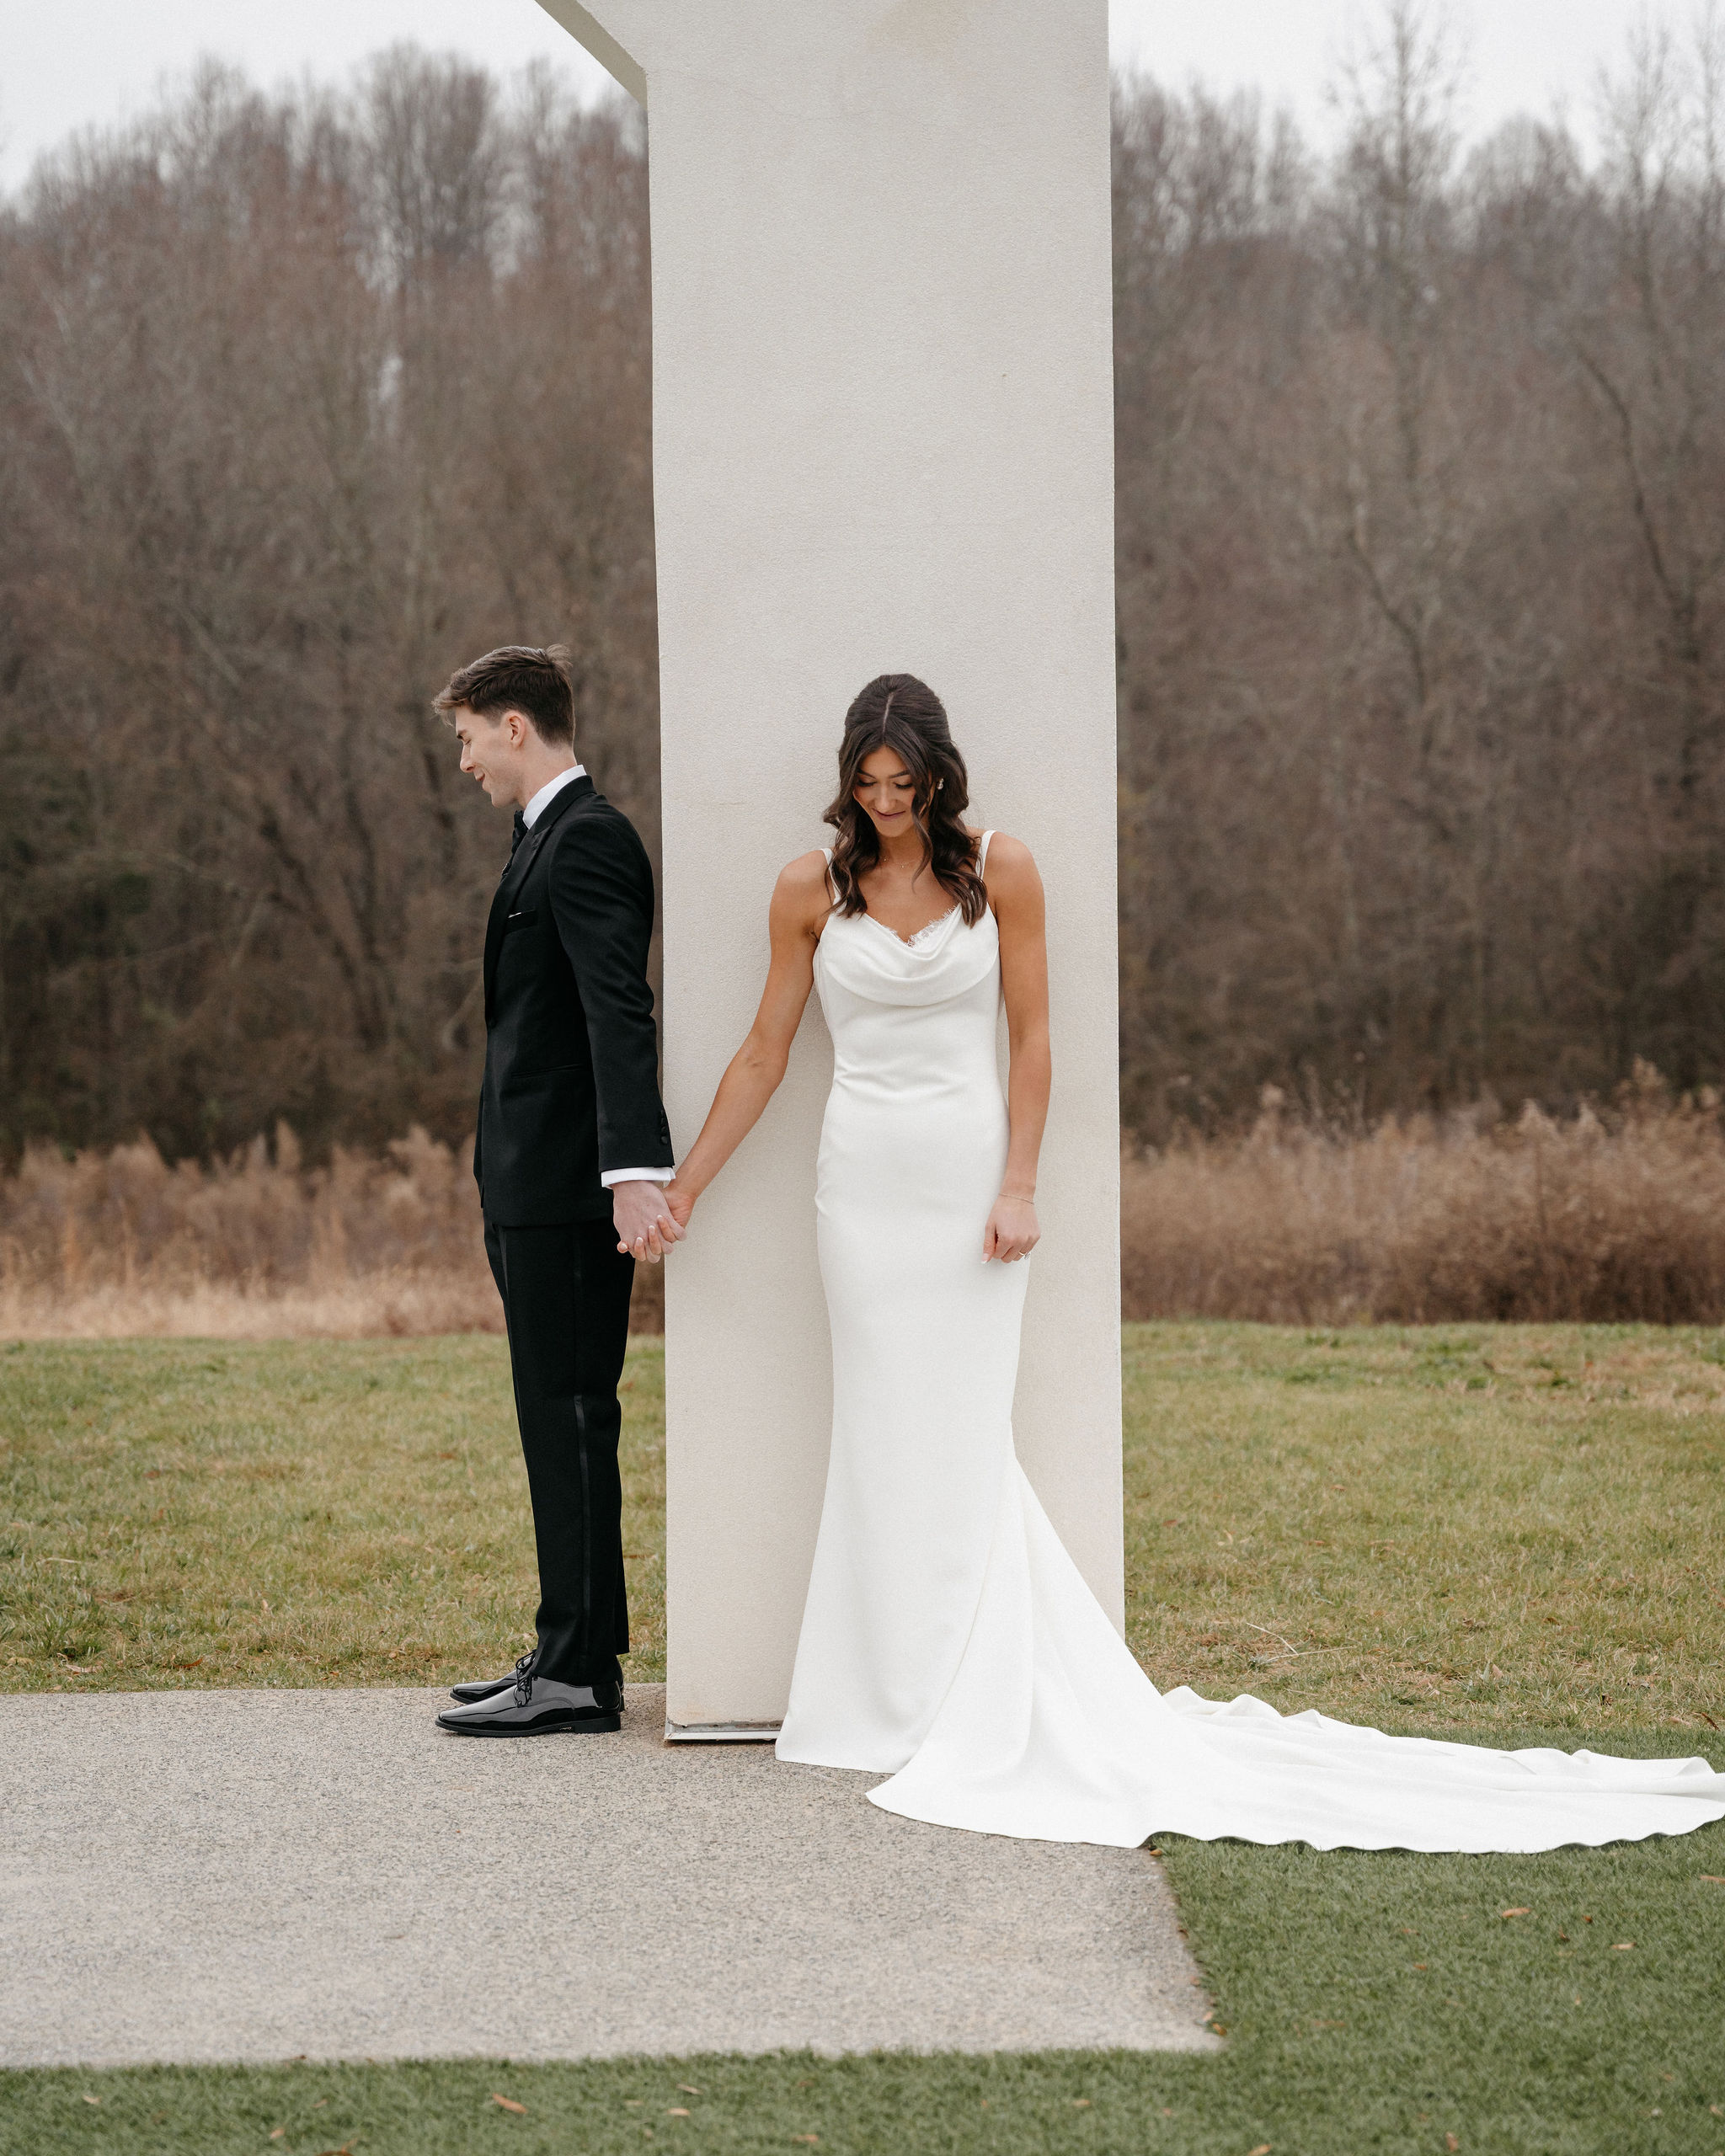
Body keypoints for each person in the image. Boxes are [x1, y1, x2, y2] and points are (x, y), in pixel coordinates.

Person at [661, 671, 1725, 1849]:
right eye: (868, 786)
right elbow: (764, 1052)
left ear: (940, 777)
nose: (887, 805)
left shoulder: (999, 871)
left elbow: (1034, 1039)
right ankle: (876, 1702)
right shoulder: (808, 889)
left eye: (905, 786)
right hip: (859, 1198)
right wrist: (687, 1187)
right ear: (847, 780)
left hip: (968, 1195)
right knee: (877, 1427)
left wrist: (1020, 1185)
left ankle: (974, 1695)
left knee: (959, 1435)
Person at [432, 645, 683, 1739]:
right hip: (529, 1189)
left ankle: (580, 1675)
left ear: (516, 726)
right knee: (556, 1419)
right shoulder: (545, 841)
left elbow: (616, 1013)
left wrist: (634, 1173)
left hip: (574, 1196)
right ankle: (570, 1646)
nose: (467, 761)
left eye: (469, 737)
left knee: (572, 1416)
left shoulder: (590, 841)